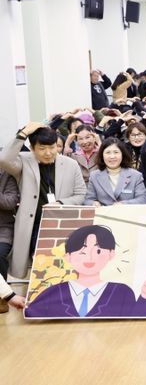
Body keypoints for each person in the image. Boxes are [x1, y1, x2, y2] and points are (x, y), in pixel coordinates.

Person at [0, 123, 86, 279]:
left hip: (64, 224)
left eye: (52, 147)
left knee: (67, 264)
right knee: (42, 263)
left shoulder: (71, 164)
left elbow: (80, 194)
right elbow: (4, 159)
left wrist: (61, 203)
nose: (48, 153)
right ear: (32, 148)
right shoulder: (23, 161)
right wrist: (23, 133)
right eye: (42, 148)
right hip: (35, 225)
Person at [25, 225, 146, 318]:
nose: (90, 257)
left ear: (111, 254)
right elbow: (31, 314)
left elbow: (135, 324)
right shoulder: (53, 292)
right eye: (82, 251)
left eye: (98, 251)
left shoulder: (122, 292)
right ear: (68, 257)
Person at [84, 138, 146, 206]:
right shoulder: (94, 176)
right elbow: (88, 200)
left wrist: (124, 204)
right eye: (108, 152)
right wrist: (93, 203)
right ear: (102, 155)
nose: (112, 156)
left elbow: (143, 199)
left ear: (122, 154)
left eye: (116, 152)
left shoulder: (135, 175)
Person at [0, 169, 19, 313]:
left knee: (0, 254)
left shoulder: (7, 175)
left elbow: (10, 203)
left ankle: (2, 298)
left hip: (3, 228)